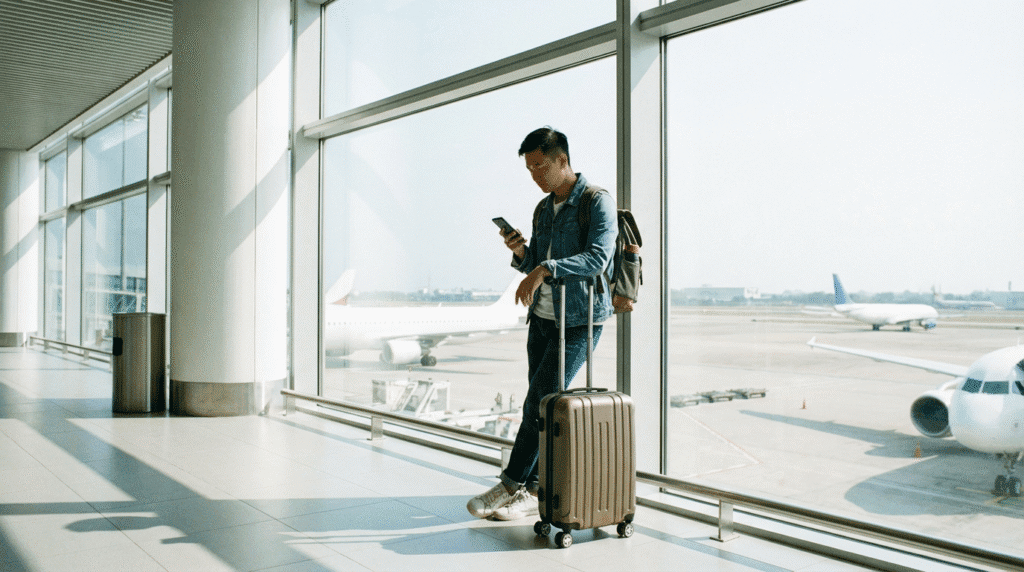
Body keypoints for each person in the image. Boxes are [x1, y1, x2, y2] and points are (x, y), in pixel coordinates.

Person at [466, 126, 618, 521]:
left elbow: (598, 259)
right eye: (530, 169)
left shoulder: (596, 201)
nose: (535, 176)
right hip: (543, 318)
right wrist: (522, 254)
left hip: (580, 320)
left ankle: (510, 483)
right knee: (541, 406)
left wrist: (545, 268)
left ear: (562, 160)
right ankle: (533, 491)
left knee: (539, 402)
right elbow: (536, 262)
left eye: (540, 166)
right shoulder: (542, 208)